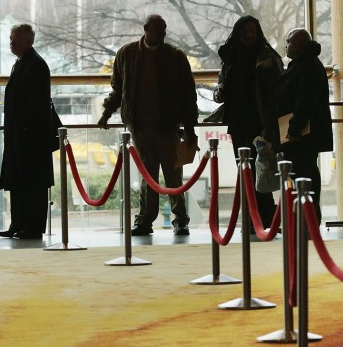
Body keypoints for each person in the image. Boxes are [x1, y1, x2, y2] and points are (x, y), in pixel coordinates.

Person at [98, 15, 198, 236]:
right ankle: (146, 219)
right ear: (146, 29)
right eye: (158, 31)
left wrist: (190, 129)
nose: (161, 36)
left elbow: (188, 96)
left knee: (172, 175)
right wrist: (106, 113)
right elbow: (118, 89)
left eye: (163, 31)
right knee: (148, 175)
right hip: (140, 127)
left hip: (167, 126)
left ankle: (179, 219)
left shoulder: (174, 56)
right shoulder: (126, 54)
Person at [214, 15, 283, 227]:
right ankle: (255, 219)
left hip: (260, 123)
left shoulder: (267, 57)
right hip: (238, 121)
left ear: (257, 33)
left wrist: (269, 127)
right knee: (245, 170)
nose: (248, 35)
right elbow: (222, 82)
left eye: (251, 32)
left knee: (260, 170)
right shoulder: (231, 57)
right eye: (245, 32)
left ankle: (264, 219)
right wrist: (219, 91)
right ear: (238, 33)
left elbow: (278, 89)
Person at [0, 24, 55, 241]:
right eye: (11, 39)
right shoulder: (22, 63)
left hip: (31, 136)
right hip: (19, 134)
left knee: (32, 183)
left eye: (14, 39)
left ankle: (32, 226)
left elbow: (35, 104)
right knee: (18, 180)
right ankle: (18, 223)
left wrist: (24, 129)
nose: (11, 43)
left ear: (28, 41)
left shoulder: (36, 65)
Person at [275, 28, 333, 222]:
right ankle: (307, 217)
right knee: (307, 172)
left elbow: (303, 102)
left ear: (297, 44)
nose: (286, 46)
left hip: (303, 135)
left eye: (288, 42)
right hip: (304, 132)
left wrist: (294, 129)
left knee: (304, 174)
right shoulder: (306, 64)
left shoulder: (306, 66)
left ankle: (307, 218)